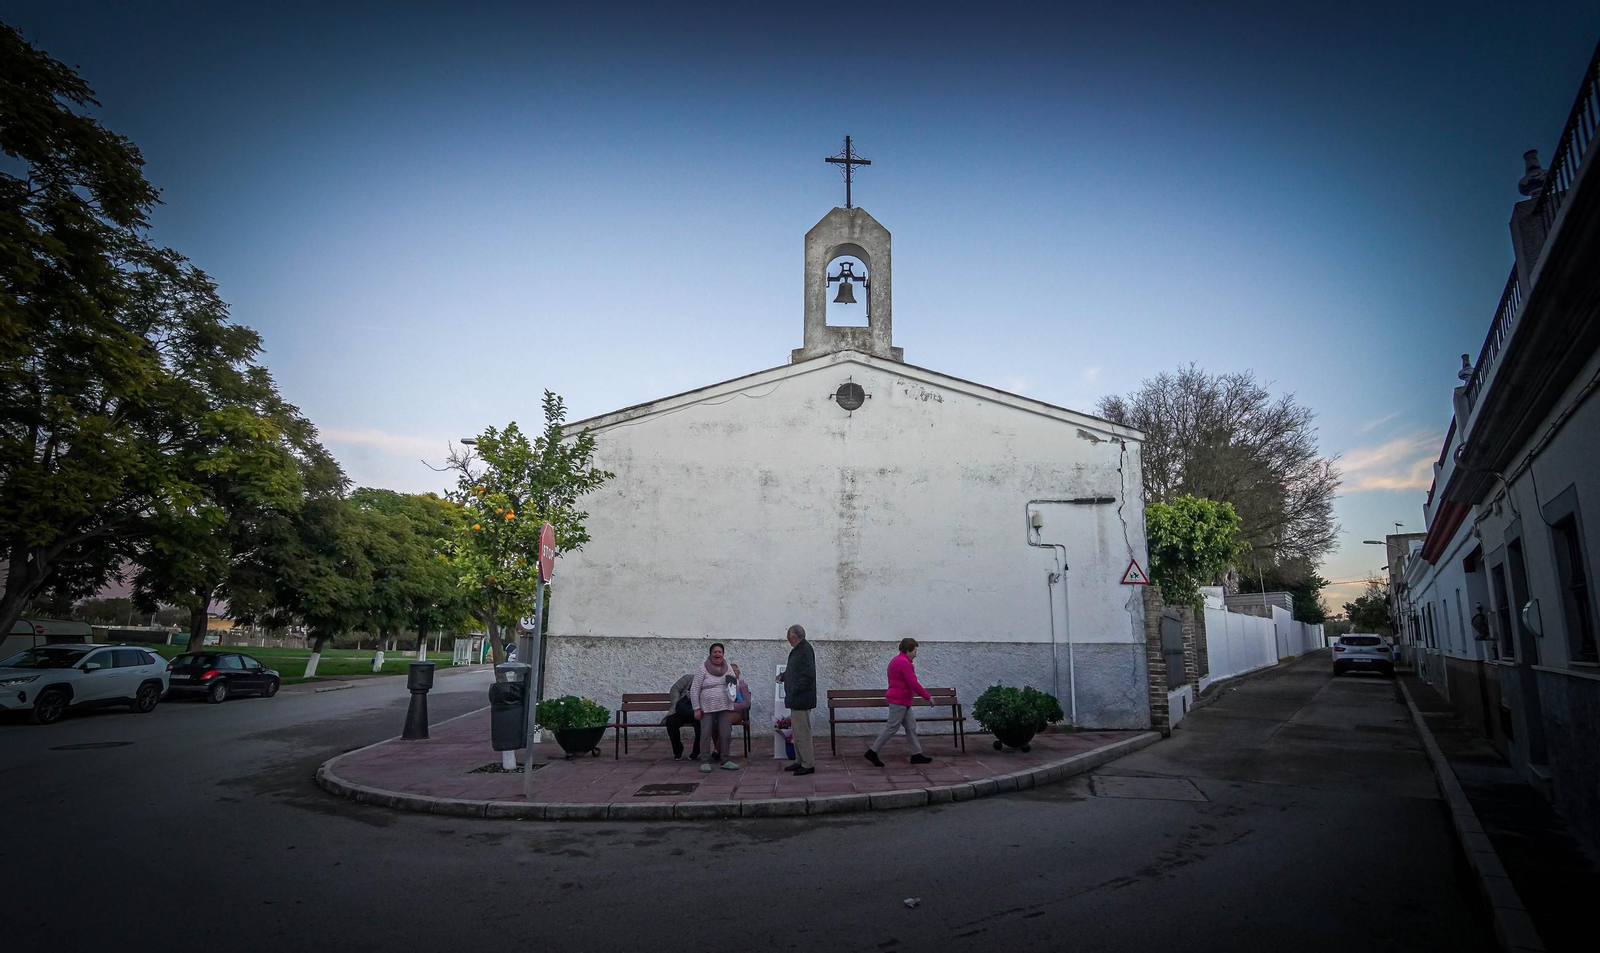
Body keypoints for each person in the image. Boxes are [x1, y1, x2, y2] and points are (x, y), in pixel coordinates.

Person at [865, 638, 934, 767]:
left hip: (903, 700)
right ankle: (872, 752)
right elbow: (913, 683)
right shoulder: (904, 663)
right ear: (908, 650)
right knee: (891, 728)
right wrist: (927, 697)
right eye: (914, 651)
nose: (915, 654)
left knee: (911, 727)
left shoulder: (897, 660)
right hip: (899, 701)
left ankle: (916, 754)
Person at [691, 643, 742, 773]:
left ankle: (725, 760)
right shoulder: (703, 668)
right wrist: (696, 708)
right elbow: (695, 689)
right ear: (710, 654)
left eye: (720, 652)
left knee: (725, 733)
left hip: (724, 705)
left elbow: (733, 684)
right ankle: (705, 761)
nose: (717, 654)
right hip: (706, 707)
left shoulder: (728, 667)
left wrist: (732, 694)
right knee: (706, 733)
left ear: (723, 654)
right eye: (715, 652)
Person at [776, 623, 817, 776]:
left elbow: (807, 675)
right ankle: (800, 760)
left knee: (802, 733)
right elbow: (795, 670)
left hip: (801, 698)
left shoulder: (804, 650)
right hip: (797, 698)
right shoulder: (799, 650)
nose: (788, 640)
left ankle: (808, 763)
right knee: (797, 732)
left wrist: (794, 689)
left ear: (793, 637)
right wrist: (784, 676)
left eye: (788, 638)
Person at [663, 672, 701, 761]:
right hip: (681, 710)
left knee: (702, 724)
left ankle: (696, 751)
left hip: (697, 711)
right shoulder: (688, 678)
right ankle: (677, 750)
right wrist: (677, 704)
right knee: (671, 722)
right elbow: (674, 689)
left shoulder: (709, 682)